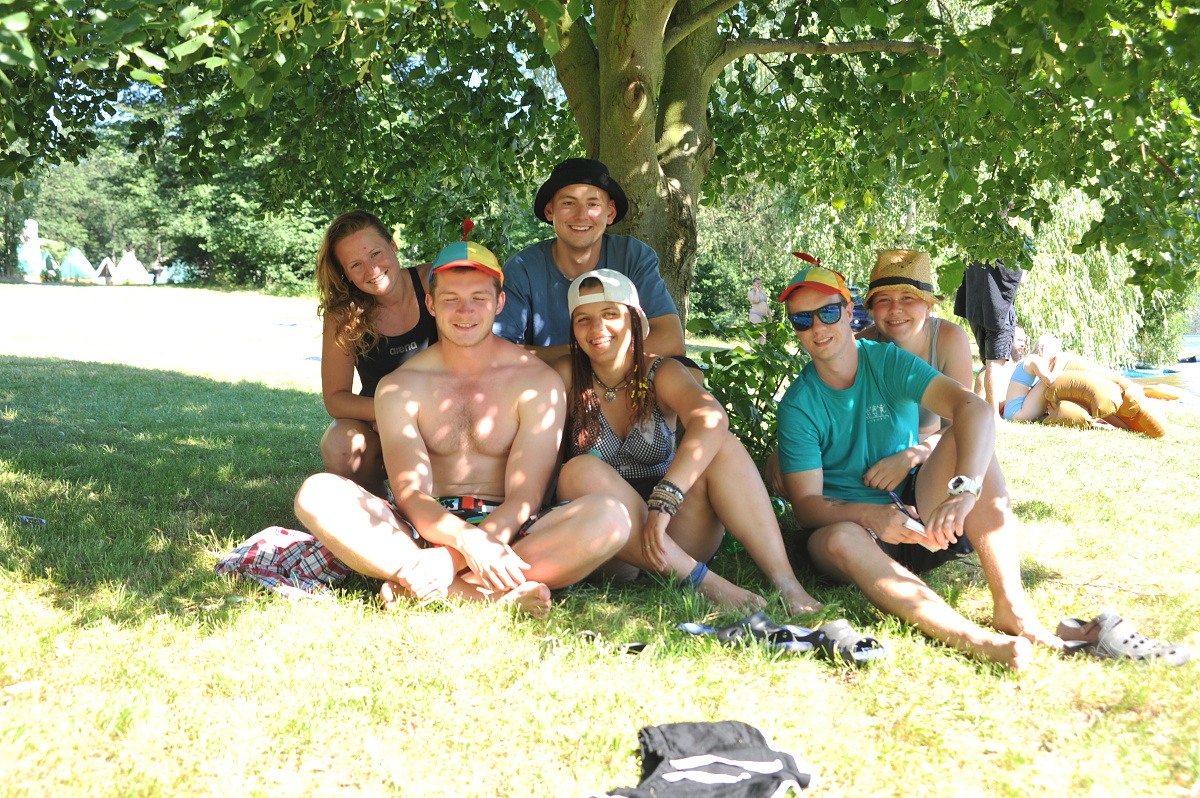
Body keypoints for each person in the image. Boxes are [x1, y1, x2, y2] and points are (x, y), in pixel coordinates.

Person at [294, 239, 631, 618]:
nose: (465, 311)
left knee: (611, 517)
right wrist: (460, 542)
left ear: (499, 303)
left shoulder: (538, 382)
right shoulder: (400, 387)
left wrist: (453, 557)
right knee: (317, 493)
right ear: (431, 304)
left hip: (513, 531)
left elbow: (526, 497)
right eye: (451, 299)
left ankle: (421, 583)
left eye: (479, 298)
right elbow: (410, 494)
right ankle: (484, 596)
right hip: (424, 531)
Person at [775, 262, 1060, 670]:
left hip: (919, 520)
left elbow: (974, 409)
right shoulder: (799, 404)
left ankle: (1011, 608)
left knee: (965, 435)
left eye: (828, 312)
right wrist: (869, 514)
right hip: (853, 535)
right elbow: (806, 506)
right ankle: (970, 637)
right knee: (839, 538)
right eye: (802, 320)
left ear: (849, 310)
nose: (817, 327)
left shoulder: (888, 361)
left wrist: (964, 491)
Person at [554, 269, 822, 615]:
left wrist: (665, 501)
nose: (597, 329)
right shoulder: (566, 376)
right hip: (609, 544)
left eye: (610, 314)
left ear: (634, 320)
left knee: (722, 445)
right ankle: (708, 584)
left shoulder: (661, 372)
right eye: (583, 319)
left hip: (674, 530)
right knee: (578, 471)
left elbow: (712, 418)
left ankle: (788, 585)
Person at [493, 158, 686, 364]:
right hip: (550, 381)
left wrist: (591, 356)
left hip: (623, 380)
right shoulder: (523, 268)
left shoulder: (632, 256)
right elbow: (496, 350)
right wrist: (595, 352)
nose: (581, 215)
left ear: (610, 213)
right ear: (550, 211)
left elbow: (671, 340)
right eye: (568, 203)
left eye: (593, 204)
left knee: (688, 371)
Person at [314, 210, 438, 496]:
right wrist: (392, 412)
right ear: (345, 274)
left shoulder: (434, 282)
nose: (371, 270)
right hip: (379, 421)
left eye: (375, 254)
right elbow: (335, 399)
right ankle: (380, 508)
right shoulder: (344, 314)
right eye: (356, 265)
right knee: (340, 444)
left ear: (393, 246)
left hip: (444, 411)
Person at [856, 250, 975, 490]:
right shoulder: (861, 346)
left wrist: (911, 457)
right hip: (872, 470)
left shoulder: (949, 339)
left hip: (933, 460)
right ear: (872, 309)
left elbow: (961, 424)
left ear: (929, 306)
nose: (895, 309)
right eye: (883, 300)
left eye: (907, 297)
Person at [954, 258, 1024, 415]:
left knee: (987, 362)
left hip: (975, 309)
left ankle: (977, 410)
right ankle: (993, 414)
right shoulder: (1005, 250)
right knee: (995, 363)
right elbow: (1021, 278)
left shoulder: (975, 247)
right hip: (998, 310)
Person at [975, 325, 1026, 401]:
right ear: (1008, 340)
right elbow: (979, 403)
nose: (1023, 345)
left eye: (1024, 341)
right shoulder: (989, 371)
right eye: (1019, 340)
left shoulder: (1018, 367)